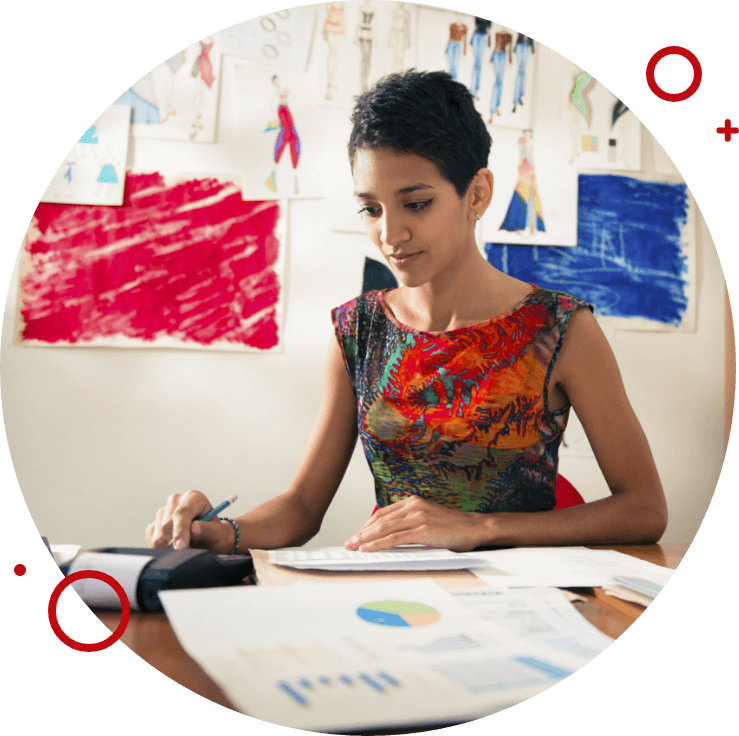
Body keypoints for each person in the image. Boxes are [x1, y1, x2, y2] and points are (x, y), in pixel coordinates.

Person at [146, 69, 668, 556]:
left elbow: (645, 509)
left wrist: (479, 528)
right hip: (391, 590)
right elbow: (302, 507)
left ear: (478, 194)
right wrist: (216, 532)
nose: (390, 236)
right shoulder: (357, 330)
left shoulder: (561, 329)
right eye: (371, 209)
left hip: (523, 601)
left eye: (416, 203)